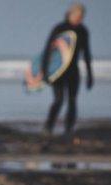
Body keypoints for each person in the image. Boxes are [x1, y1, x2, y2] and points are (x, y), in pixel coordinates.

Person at [42, 2, 93, 135]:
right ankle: (48, 127)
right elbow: (48, 50)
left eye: (82, 17)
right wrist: (45, 71)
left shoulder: (83, 31)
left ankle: (68, 129)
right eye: (78, 16)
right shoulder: (59, 29)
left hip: (73, 72)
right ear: (71, 14)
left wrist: (90, 75)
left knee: (72, 101)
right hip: (58, 71)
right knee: (59, 100)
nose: (80, 19)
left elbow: (86, 53)